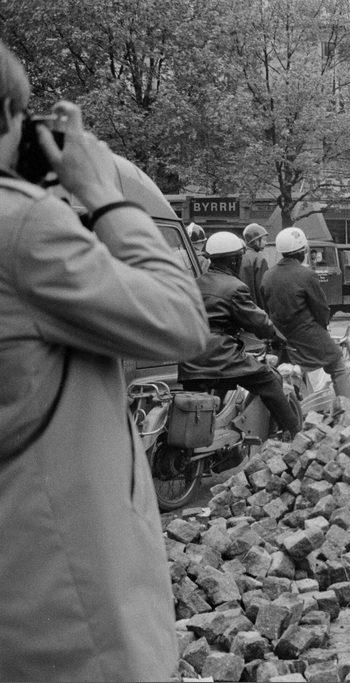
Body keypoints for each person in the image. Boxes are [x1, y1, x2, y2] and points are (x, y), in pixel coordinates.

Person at [0, 41, 208, 681]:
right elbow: (180, 319)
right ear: (8, 115)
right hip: (62, 614)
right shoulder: (22, 227)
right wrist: (103, 195)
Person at [178, 232, 302, 444]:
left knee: (200, 406)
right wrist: (278, 338)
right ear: (234, 260)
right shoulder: (234, 287)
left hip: (189, 358)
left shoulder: (193, 284)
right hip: (219, 357)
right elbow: (259, 322)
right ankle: (297, 434)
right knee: (269, 380)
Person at [261, 226, 350, 401]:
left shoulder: (267, 275)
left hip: (280, 336)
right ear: (302, 251)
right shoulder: (306, 274)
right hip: (306, 334)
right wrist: (323, 327)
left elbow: (266, 308)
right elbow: (321, 308)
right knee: (336, 363)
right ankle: (347, 407)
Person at [240, 222, 270, 308]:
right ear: (256, 241)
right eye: (264, 239)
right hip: (256, 308)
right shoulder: (260, 259)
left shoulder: (240, 256)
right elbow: (262, 289)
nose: (266, 242)